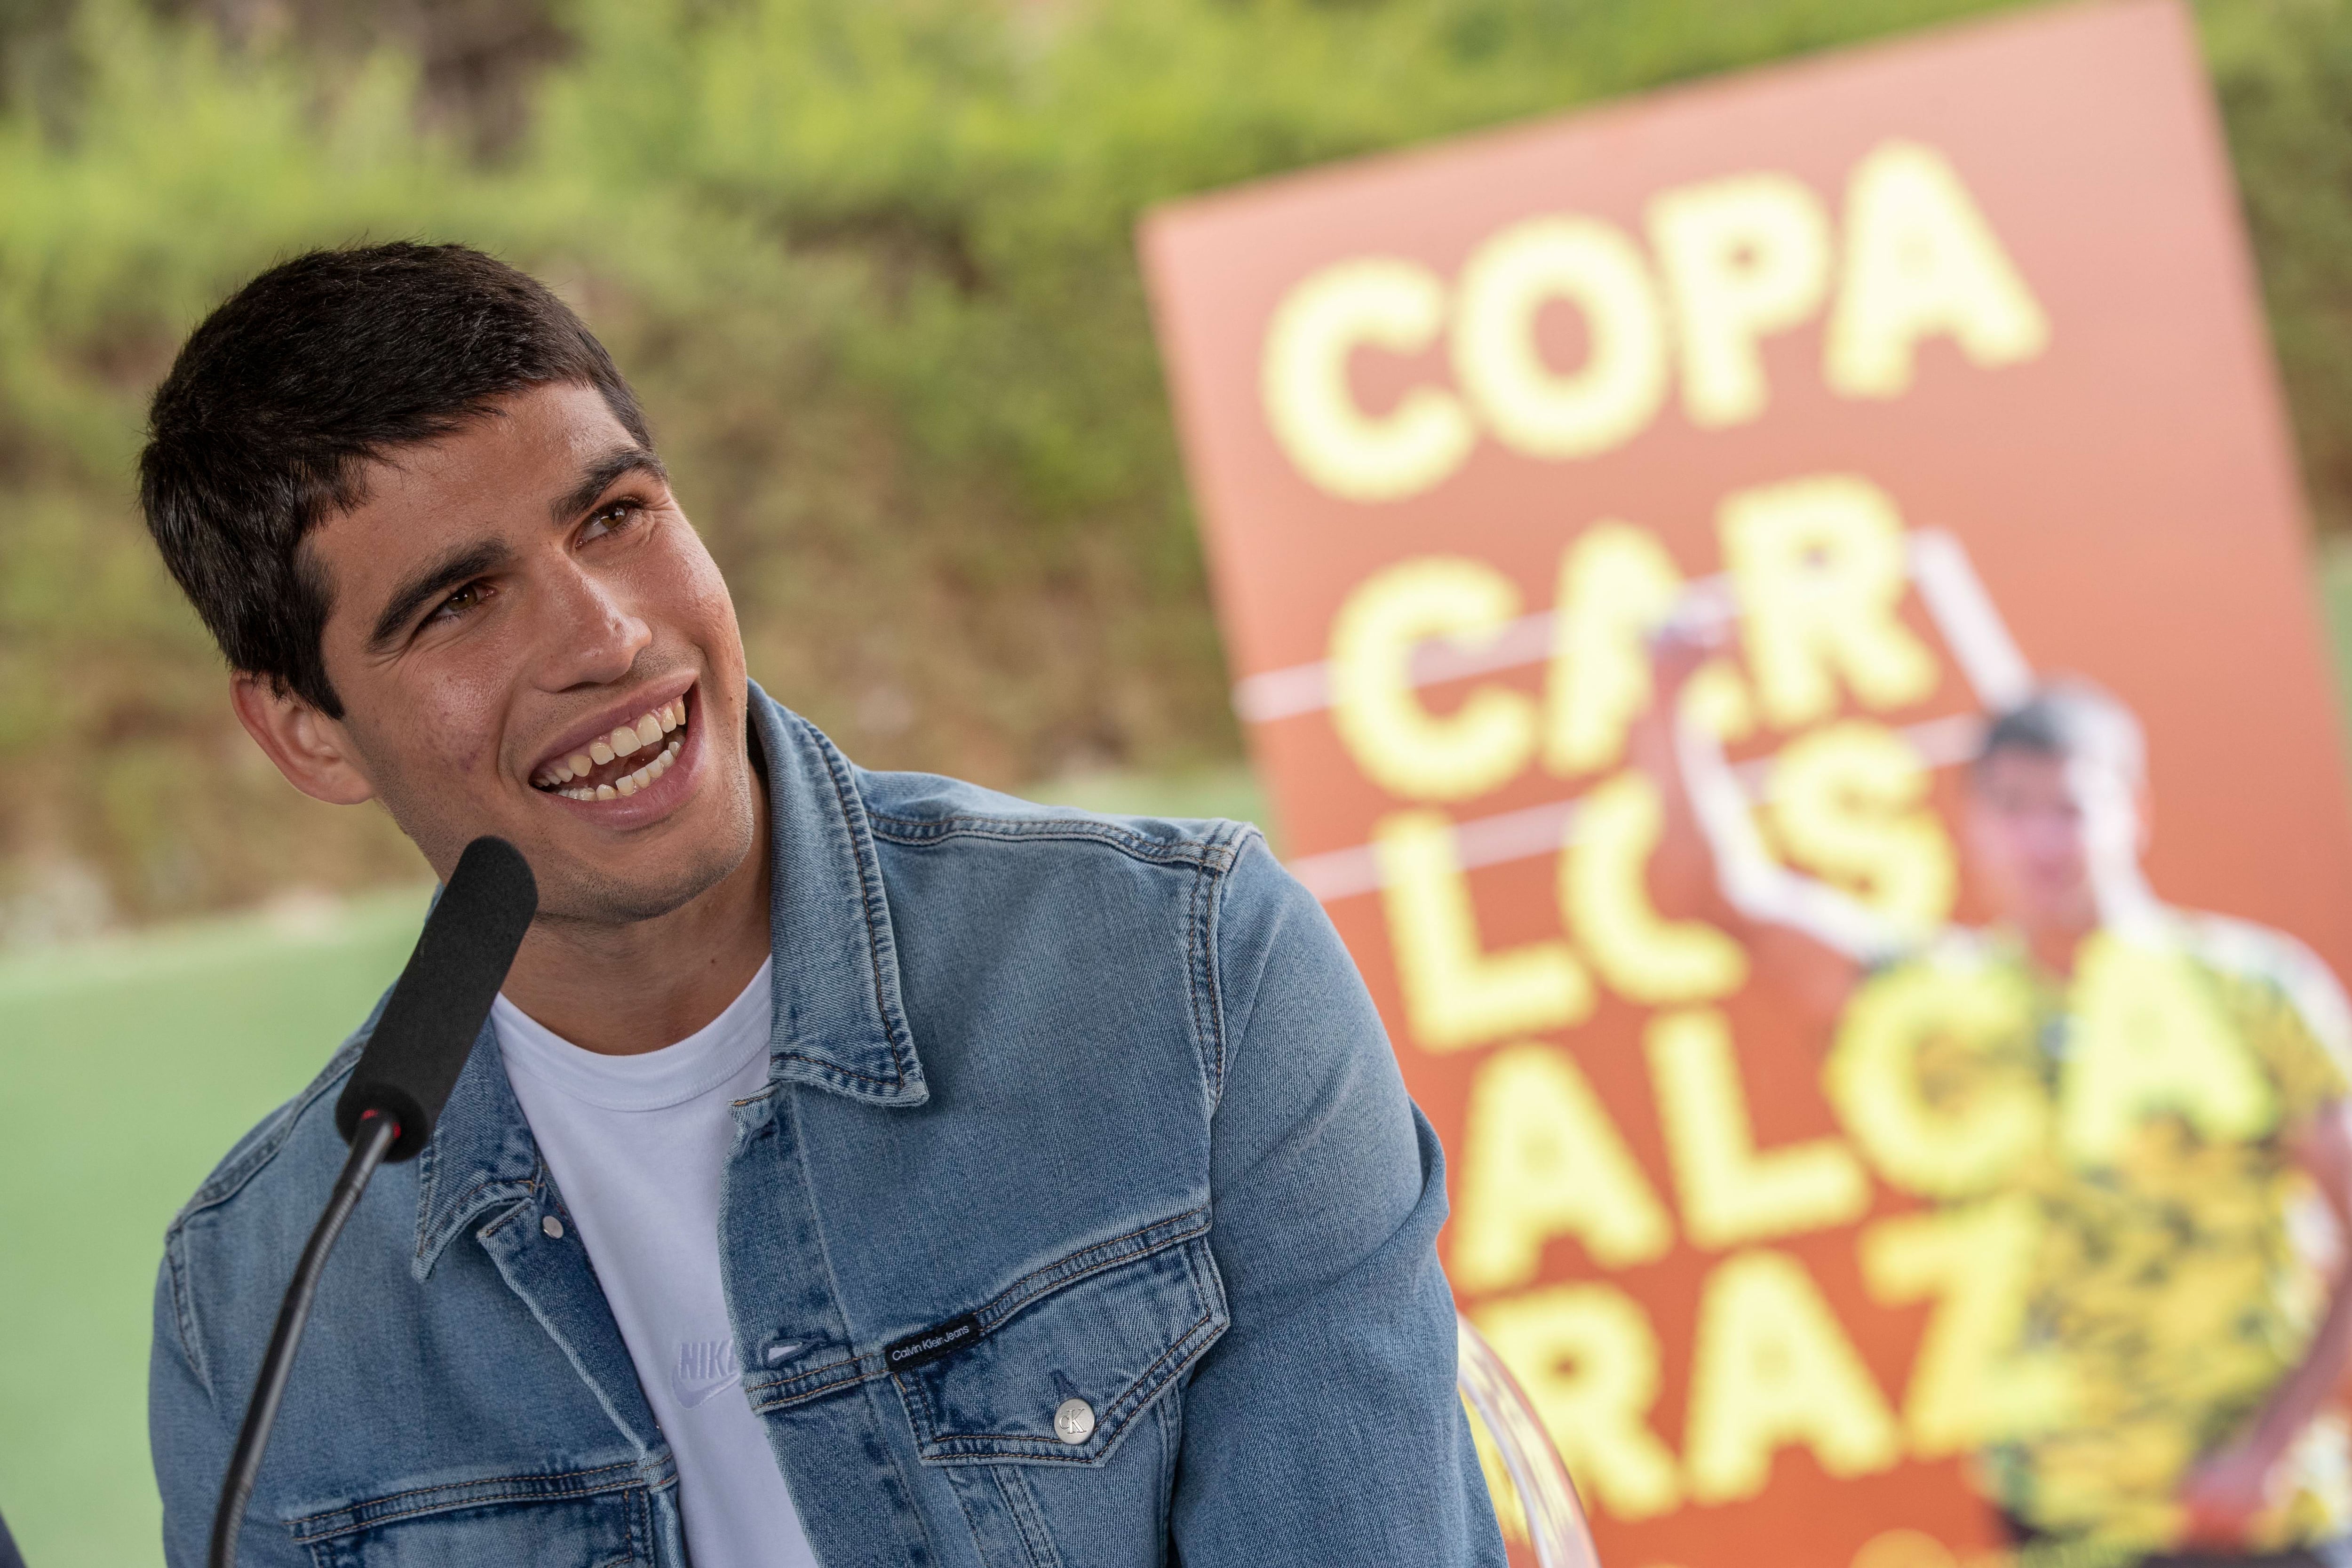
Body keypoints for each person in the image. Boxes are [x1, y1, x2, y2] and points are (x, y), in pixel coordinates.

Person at [141, 242, 1502, 1568]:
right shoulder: (256, 1304)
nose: (608, 637)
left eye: (614, 517)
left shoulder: (1192, 977)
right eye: (458, 603)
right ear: (307, 732)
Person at [1637, 631, 2352, 1568]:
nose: (2042, 838)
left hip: (2261, 1518)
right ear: (1970, 825)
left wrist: (2265, 1446)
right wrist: (1668, 705)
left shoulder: (2255, 992)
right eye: (2012, 807)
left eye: (2069, 805)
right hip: (2063, 1519)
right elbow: (1715, 892)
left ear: (2128, 811)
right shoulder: (1936, 1006)